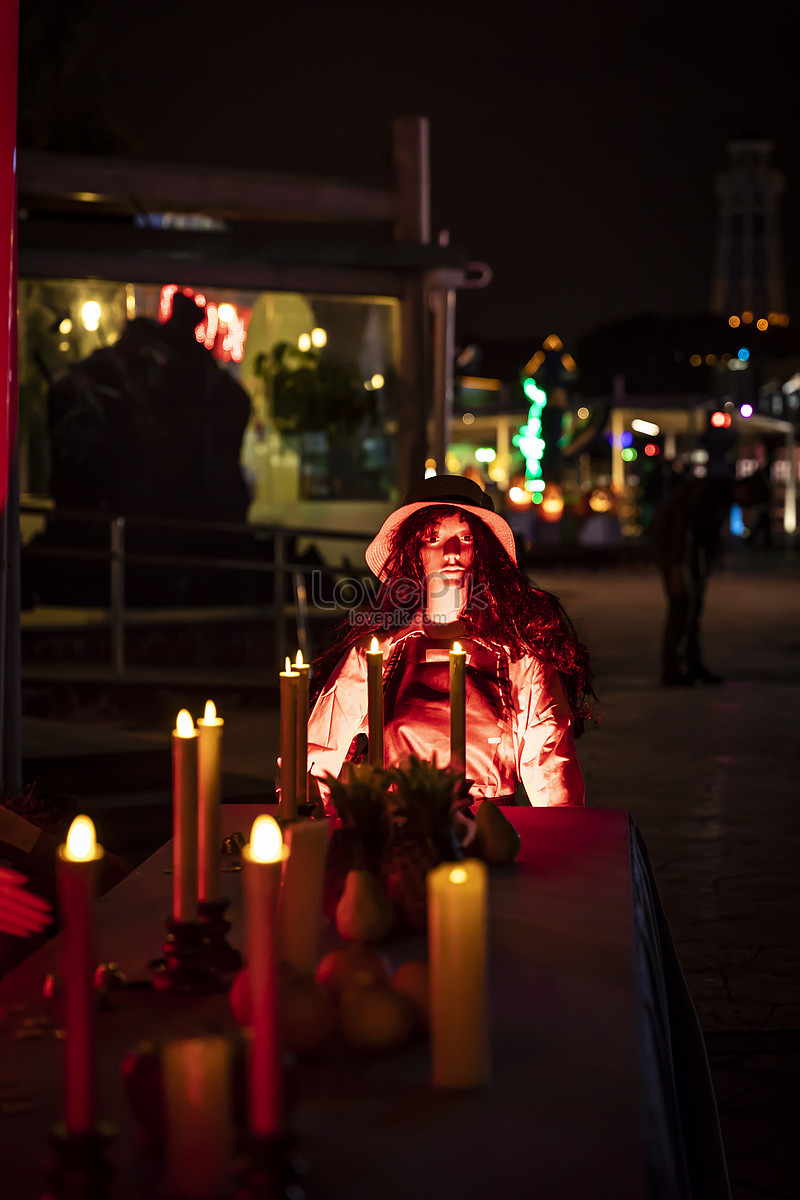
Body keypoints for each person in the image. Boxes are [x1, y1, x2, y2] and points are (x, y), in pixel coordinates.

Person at [306, 475, 592, 807]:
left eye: (466, 537)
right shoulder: (374, 655)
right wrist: (311, 829)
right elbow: (314, 757)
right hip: (398, 839)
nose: (452, 552)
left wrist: (564, 844)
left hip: (485, 842)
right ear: (414, 551)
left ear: (483, 550)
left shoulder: (519, 660)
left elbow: (554, 774)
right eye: (433, 537)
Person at [647, 469, 771, 686]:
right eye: (750, 501)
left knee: (693, 607)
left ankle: (693, 665)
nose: (747, 507)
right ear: (744, 490)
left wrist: (705, 565)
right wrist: (677, 565)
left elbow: (705, 535)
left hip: (688, 552)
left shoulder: (721, 494)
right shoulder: (709, 491)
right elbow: (682, 527)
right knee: (682, 605)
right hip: (672, 548)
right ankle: (672, 669)